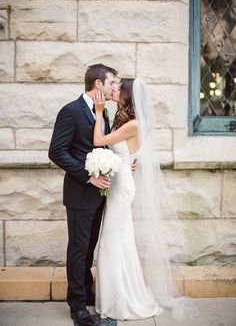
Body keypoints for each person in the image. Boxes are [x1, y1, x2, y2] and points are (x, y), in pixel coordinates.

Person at [93, 78, 200, 323]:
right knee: (117, 240)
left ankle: (122, 301)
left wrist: (99, 113)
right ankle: (116, 297)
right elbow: (125, 152)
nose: (115, 89)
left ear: (128, 96)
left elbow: (99, 141)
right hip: (118, 182)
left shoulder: (132, 124)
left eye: (119, 87)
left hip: (121, 188)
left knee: (113, 240)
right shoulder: (123, 119)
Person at [48, 64, 117, 326]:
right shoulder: (71, 111)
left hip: (100, 194)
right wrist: (88, 176)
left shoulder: (104, 113)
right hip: (79, 193)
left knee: (88, 248)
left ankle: (86, 292)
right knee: (78, 249)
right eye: (111, 82)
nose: (114, 87)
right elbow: (56, 151)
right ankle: (77, 308)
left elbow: (103, 145)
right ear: (98, 84)